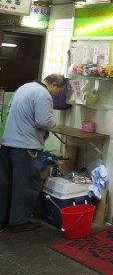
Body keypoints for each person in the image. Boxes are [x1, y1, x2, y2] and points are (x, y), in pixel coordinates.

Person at [0, 73, 68, 233]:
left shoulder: (24, 87)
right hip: (26, 146)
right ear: (54, 85)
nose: (57, 94)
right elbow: (43, 121)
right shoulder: (44, 94)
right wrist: (54, 124)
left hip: (8, 143)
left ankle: (3, 218)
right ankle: (19, 222)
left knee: (6, 183)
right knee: (26, 185)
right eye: (59, 91)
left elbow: (9, 111)